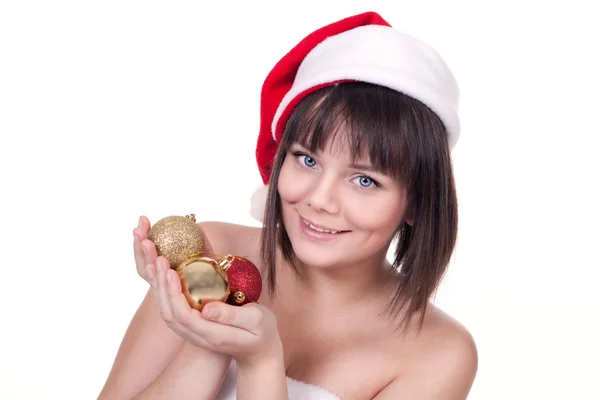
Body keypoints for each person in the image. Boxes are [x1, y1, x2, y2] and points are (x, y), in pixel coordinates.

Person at [99, 11, 478, 400]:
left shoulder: (439, 352)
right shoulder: (209, 254)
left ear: (416, 201)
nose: (318, 198)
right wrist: (209, 328)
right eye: (307, 160)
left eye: (364, 180)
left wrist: (260, 361)